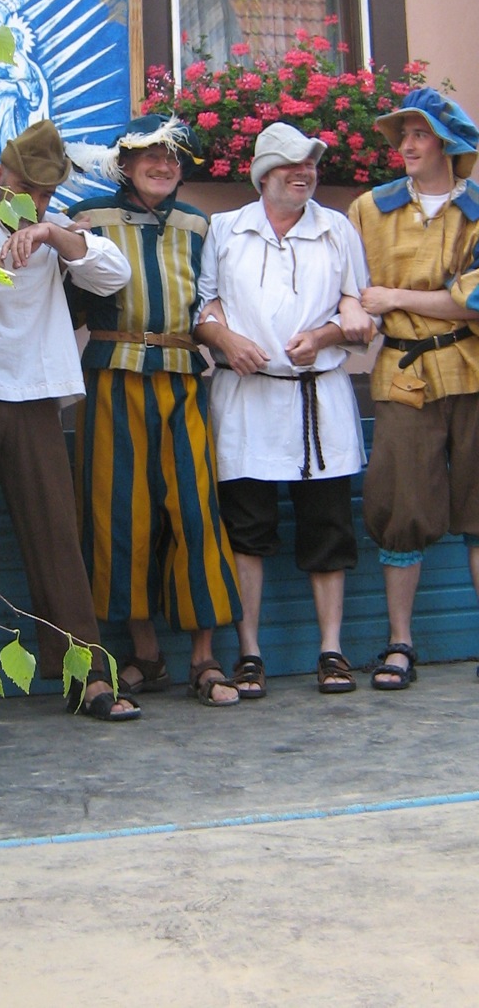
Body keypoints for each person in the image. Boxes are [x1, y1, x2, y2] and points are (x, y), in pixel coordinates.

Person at [0, 118, 141, 723]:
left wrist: (52, 232)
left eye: (47, 194)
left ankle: (86, 674)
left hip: (36, 395)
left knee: (56, 536)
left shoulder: (57, 228)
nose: (36, 201)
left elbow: (114, 274)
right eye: (27, 188)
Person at [66, 114, 242, 707]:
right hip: (111, 377)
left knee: (195, 512)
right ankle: (146, 652)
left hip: (185, 378)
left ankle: (204, 657)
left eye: (173, 157)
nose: (164, 165)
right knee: (119, 514)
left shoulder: (198, 224)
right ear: (125, 164)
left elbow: (213, 299)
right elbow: (63, 303)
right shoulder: (88, 218)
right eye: (150, 155)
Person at [195, 122, 376, 697]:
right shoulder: (225, 228)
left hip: (317, 401)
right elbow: (204, 305)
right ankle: (249, 652)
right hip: (244, 400)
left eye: (310, 165)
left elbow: (359, 309)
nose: (304, 173)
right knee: (246, 531)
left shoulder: (336, 228)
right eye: (291, 165)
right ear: (262, 175)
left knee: (328, 529)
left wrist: (323, 337)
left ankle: (331, 649)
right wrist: (225, 340)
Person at [349, 87, 479, 690]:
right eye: (402, 133)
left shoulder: (476, 209)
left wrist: (395, 296)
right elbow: (351, 288)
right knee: (400, 507)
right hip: (401, 375)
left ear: (447, 144)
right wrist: (360, 307)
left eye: (419, 133)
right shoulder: (369, 209)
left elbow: (473, 302)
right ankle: (400, 644)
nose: (406, 144)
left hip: (473, 373)